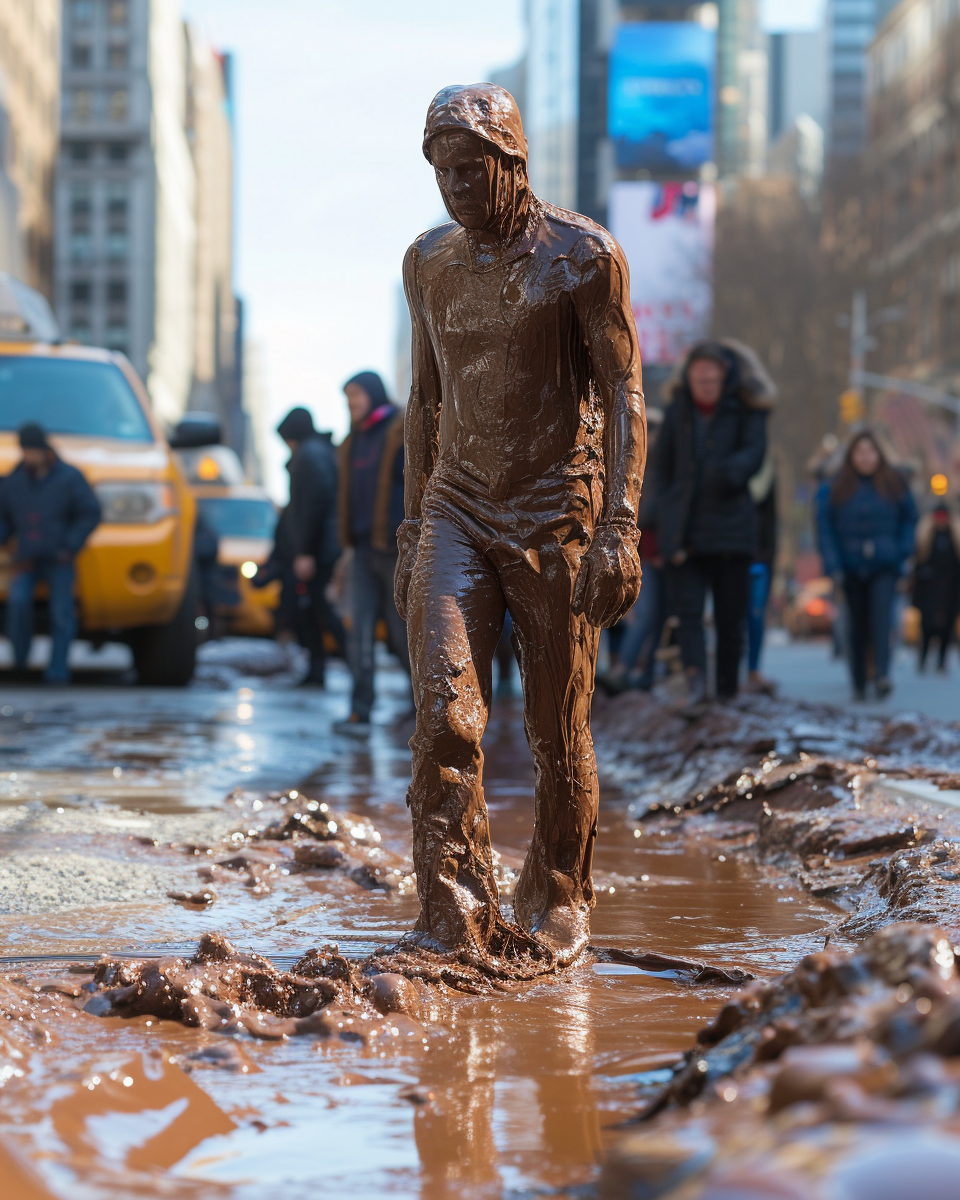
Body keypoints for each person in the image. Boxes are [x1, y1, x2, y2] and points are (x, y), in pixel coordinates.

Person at [397, 83, 645, 964]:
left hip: (554, 513)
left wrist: (620, 523)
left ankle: (562, 892)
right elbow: (424, 403)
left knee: (554, 724)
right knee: (445, 715)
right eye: (441, 172)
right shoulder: (427, 263)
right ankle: (451, 910)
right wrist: (407, 531)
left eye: (471, 169)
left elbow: (623, 392)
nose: (456, 187)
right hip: (456, 509)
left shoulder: (584, 256)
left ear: (514, 162)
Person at [648, 340, 774, 703]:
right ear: (687, 376)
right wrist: (651, 524)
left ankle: (728, 691)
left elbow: (754, 454)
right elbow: (659, 471)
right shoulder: (676, 413)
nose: (703, 380)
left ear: (724, 375)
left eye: (710, 374)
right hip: (683, 530)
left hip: (731, 532)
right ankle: (695, 686)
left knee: (730, 617)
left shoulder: (747, 412)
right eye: (697, 373)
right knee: (688, 614)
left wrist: (728, 473)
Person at [816, 430, 917, 700]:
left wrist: (902, 552)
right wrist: (833, 564)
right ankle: (859, 680)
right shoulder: (835, 486)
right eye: (860, 452)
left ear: (879, 454)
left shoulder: (894, 484)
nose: (866, 457)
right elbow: (825, 527)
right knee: (856, 624)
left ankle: (882, 674)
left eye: (870, 451)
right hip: (850, 566)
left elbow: (910, 519)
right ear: (851, 456)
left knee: (882, 619)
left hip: (885, 563)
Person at [0, 422, 100, 683]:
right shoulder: (13, 481)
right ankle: (20, 663)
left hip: (60, 559)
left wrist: (70, 544)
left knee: (61, 614)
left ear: (45, 449)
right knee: (18, 603)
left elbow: (90, 513)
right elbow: (4, 520)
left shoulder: (69, 478)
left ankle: (57, 671)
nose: (29, 456)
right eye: (25, 451)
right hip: (26, 559)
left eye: (33, 450)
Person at [336, 370, 408, 731]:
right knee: (358, 633)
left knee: (401, 634)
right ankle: (360, 709)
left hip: (395, 549)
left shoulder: (399, 430)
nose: (351, 405)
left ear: (373, 395)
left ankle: (419, 702)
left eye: (357, 397)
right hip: (362, 550)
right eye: (347, 399)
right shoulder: (351, 441)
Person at [275, 407, 344, 686]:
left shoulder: (308, 455)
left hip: (318, 551)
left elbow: (311, 507)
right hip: (321, 548)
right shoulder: (319, 452)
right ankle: (318, 670)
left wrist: (305, 552)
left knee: (321, 612)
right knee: (314, 612)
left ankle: (354, 672)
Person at [912, 501, 960, 672]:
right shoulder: (926, 537)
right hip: (929, 589)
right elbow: (917, 564)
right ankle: (923, 659)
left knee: (947, 627)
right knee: (927, 626)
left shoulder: (954, 537)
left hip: (950, 590)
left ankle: (941, 661)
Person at [745, 451, 778, 693]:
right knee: (729, 617)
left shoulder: (766, 470)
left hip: (759, 556)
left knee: (755, 615)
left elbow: (771, 518)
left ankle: (753, 671)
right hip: (727, 549)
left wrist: (769, 555)